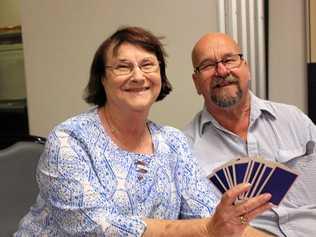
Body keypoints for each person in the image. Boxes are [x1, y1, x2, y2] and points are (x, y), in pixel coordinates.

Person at [15, 27, 272, 237]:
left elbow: (211, 216)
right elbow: (98, 228)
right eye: (123, 67)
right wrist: (207, 229)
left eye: (148, 65)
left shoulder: (173, 142)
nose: (138, 76)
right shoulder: (70, 140)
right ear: (102, 79)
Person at [184, 32, 316, 237]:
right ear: (196, 82)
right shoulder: (185, 149)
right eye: (208, 65)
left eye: (229, 60)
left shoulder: (295, 120)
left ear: (247, 67)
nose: (221, 70)